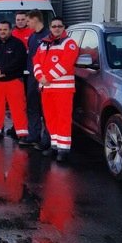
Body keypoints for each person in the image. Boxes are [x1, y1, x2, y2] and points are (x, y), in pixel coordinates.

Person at [33, 17, 79, 162]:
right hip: (46, 89)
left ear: (64, 27)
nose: (57, 28)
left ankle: (64, 149)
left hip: (63, 90)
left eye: (59, 26)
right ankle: (54, 145)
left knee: (63, 119)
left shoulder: (69, 43)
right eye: (54, 26)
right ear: (50, 27)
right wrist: (40, 76)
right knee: (50, 119)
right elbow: (36, 61)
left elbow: (65, 64)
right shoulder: (45, 44)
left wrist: (47, 77)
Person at [0, 21, 28, 141]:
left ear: (10, 30)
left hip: (14, 81)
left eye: (5, 29)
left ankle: (21, 133)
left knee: (18, 107)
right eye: (1, 29)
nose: (2, 32)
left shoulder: (18, 44)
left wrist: (3, 70)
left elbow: (20, 61)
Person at [21, 9, 51, 149]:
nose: (27, 24)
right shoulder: (33, 37)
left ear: (35, 19)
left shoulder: (48, 36)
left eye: (28, 21)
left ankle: (47, 139)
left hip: (44, 79)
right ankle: (34, 135)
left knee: (45, 109)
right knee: (32, 107)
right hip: (32, 77)